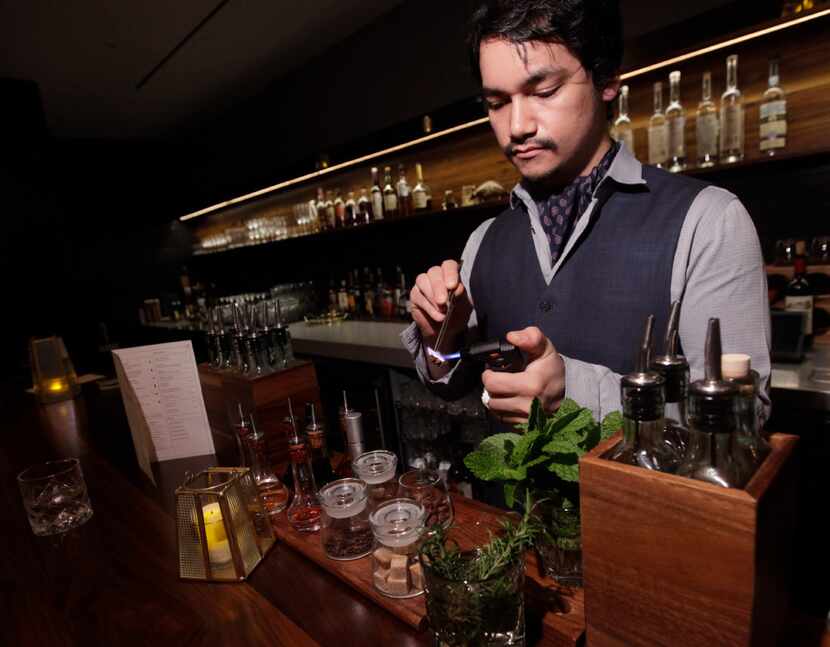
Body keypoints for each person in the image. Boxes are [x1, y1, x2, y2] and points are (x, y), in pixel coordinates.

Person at [401, 0, 771, 428]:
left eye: (544, 91)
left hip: (634, 496)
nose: (517, 125)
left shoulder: (709, 221)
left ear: (607, 78)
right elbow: (450, 380)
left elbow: (744, 418)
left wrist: (574, 395)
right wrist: (438, 341)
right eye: (498, 102)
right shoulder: (484, 239)